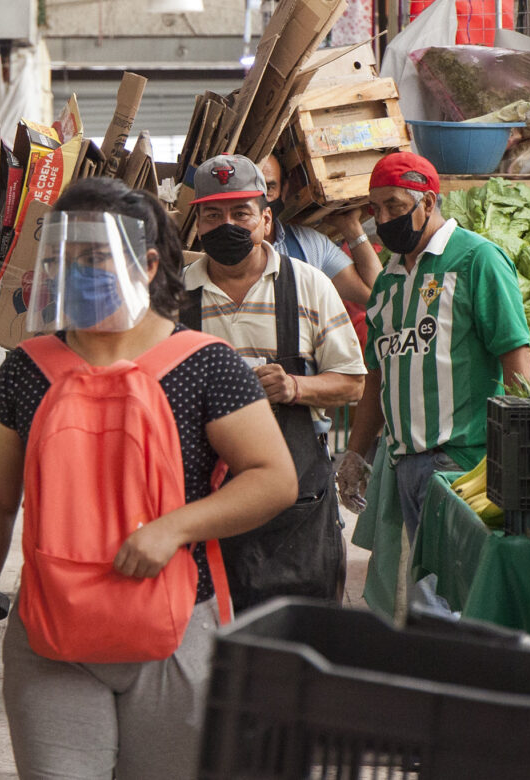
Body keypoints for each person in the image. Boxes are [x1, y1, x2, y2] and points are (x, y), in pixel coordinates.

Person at [0, 177, 297, 780]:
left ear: (149, 262)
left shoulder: (204, 364)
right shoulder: (24, 372)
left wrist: (174, 528)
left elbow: (273, 479)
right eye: (64, 259)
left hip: (177, 631)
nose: (77, 272)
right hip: (52, 636)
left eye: (97, 257)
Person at [182, 153, 366, 612]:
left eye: (241, 213)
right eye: (213, 215)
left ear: (266, 219)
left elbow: (353, 384)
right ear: (198, 224)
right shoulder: (174, 296)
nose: (227, 225)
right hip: (203, 505)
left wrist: (296, 389)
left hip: (297, 509)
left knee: (301, 643)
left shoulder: (308, 286)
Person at [337, 151, 530, 548]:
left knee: (455, 595)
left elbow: (516, 360)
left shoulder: (477, 259)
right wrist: (356, 454)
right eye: (378, 208)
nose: (385, 219)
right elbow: (377, 378)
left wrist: (519, 454)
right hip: (404, 464)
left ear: (428, 202)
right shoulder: (387, 282)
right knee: (428, 589)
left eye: (396, 205)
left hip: (463, 462)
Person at [260, 153, 383, 306]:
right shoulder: (225, 252)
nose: (259, 198)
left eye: (269, 188)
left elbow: (377, 295)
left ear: (284, 190)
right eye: (252, 187)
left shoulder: (308, 246)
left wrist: (351, 228)